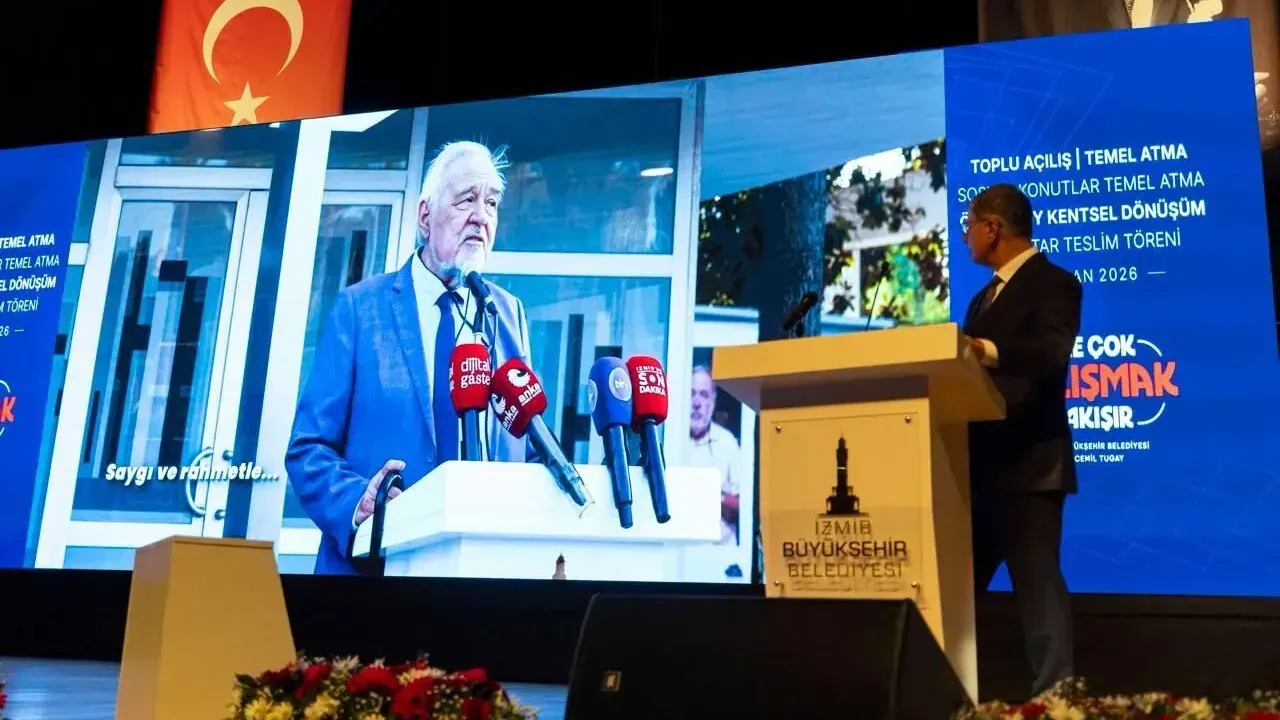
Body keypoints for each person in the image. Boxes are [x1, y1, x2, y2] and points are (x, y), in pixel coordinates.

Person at [287, 140, 534, 575]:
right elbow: (308, 447)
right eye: (467, 200)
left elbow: (526, 446)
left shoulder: (507, 312)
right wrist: (358, 501)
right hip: (376, 572)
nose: (482, 216)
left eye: (492, 203)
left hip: (479, 574)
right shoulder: (360, 309)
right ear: (425, 216)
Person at [960, 183, 1082, 696]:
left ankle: (1057, 699)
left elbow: (1050, 355)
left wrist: (983, 349)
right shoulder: (980, 298)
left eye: (969, 225)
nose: (965, 236)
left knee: (1037, 590)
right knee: (954, 592)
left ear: (993, 227)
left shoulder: (1055, 283)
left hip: (1031, 464)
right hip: (978, 469)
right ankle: (940, 689)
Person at [685, 365, 743, 545]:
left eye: (703, 395)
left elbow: (744, 504)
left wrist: (711, 495)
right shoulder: (670, 439)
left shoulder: (727, 442)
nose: (696, 403)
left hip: (719, 550)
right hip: (680, 548)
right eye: (691, 393)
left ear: (713, 402)